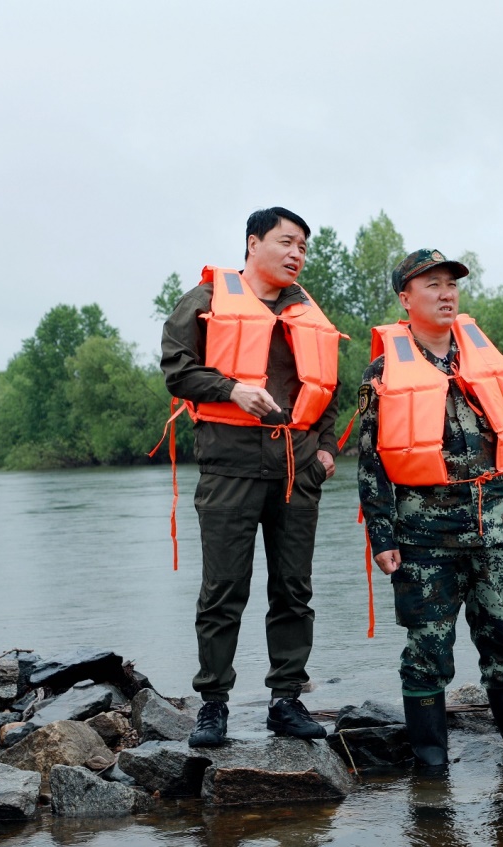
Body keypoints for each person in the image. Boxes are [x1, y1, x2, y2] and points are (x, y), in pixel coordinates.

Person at [357, 248, 503, 769]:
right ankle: (431, 774)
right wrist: (382, 537)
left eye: (452, 285)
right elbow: (371, 464)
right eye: (433, 285)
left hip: (494, 534)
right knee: (427, 656)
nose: (446, 294)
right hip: (424, 543)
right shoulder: (383, 372)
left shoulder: (485, 360)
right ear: (406, 298)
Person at [160, 207, 342, 747]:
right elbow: (176, 370)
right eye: (286, 242)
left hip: (296, 472)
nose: (296, 254)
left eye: (303, 247)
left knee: (293, 591)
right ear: (253, 243)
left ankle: (286, 700)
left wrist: (327, 449)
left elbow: (326, 387)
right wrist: (231, 389)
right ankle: (213, 705)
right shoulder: (206, 300)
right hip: (229, 470)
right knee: (222, 592)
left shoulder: (307, 310)